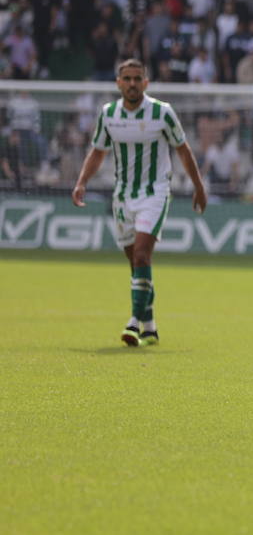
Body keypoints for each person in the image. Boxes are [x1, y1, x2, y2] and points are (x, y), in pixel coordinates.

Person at [71, 59, 208, 347]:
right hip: (122, 195)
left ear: (146, 83)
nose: (132, 84)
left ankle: (133, 323)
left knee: (143, 255)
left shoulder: (162, 113)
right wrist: (82, 181)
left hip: (155, 192)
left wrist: (198, 186)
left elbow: (183, 150)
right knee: (136, 264)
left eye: (137, 79)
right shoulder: (108, 114)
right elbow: (97, 151)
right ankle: (150, 325)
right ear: (118, 83)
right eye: (127, 79)